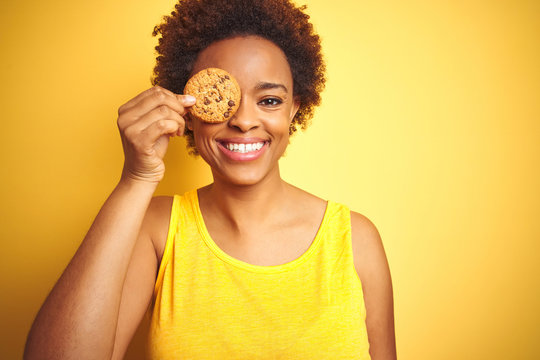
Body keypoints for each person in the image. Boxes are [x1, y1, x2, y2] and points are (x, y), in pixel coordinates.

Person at [24, 0, 396, 358]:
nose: (244, 120)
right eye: (226, 101)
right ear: (188, 111)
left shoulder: (354, 239)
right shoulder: (156, 230)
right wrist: (136, 178)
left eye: (269, 100)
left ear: (295, 108)